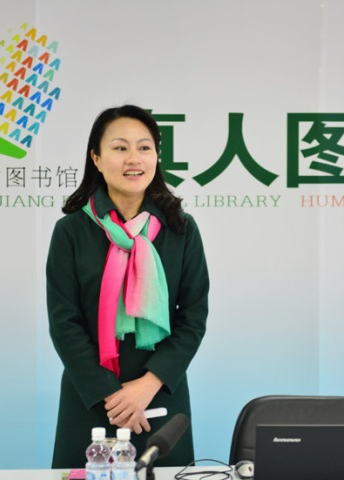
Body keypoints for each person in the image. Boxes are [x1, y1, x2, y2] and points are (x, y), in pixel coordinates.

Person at [46, 105, 209, 468]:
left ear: (156, 157)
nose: (134, 159)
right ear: (97, 159)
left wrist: (147, 385)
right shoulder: (71, 231)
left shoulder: (181, 229)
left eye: (144, 147)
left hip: (160, 394)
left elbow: (193, 317)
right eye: (120, 148)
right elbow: (64, 323)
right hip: (91, 399)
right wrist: (112, 397)